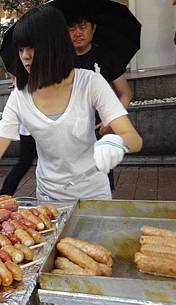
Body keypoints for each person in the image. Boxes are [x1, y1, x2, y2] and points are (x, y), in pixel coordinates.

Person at [0, 5, 142, 202]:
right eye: (21, 49)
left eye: (33, 48)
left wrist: (115, 142)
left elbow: (133, 139)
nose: (25, 57)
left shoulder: (89, 82)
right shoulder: (20, 97)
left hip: (92, 192)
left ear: (56, 46)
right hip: (49, 195)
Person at [67, 8, 133, 191]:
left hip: (101, 131)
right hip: (71, 134)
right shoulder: (61, 62)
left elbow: (125, 93)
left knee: (102, 182)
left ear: (93, 28)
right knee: (73, 185)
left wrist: (112, 121)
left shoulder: (106, 57)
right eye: (71, 28)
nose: (77, 33)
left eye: (82, 27)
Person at [0, 127, 37, 196]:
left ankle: (5, 193)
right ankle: (5, 193)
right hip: (37, 132)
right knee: (25, 163)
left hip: (26, 132)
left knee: (24, 163)